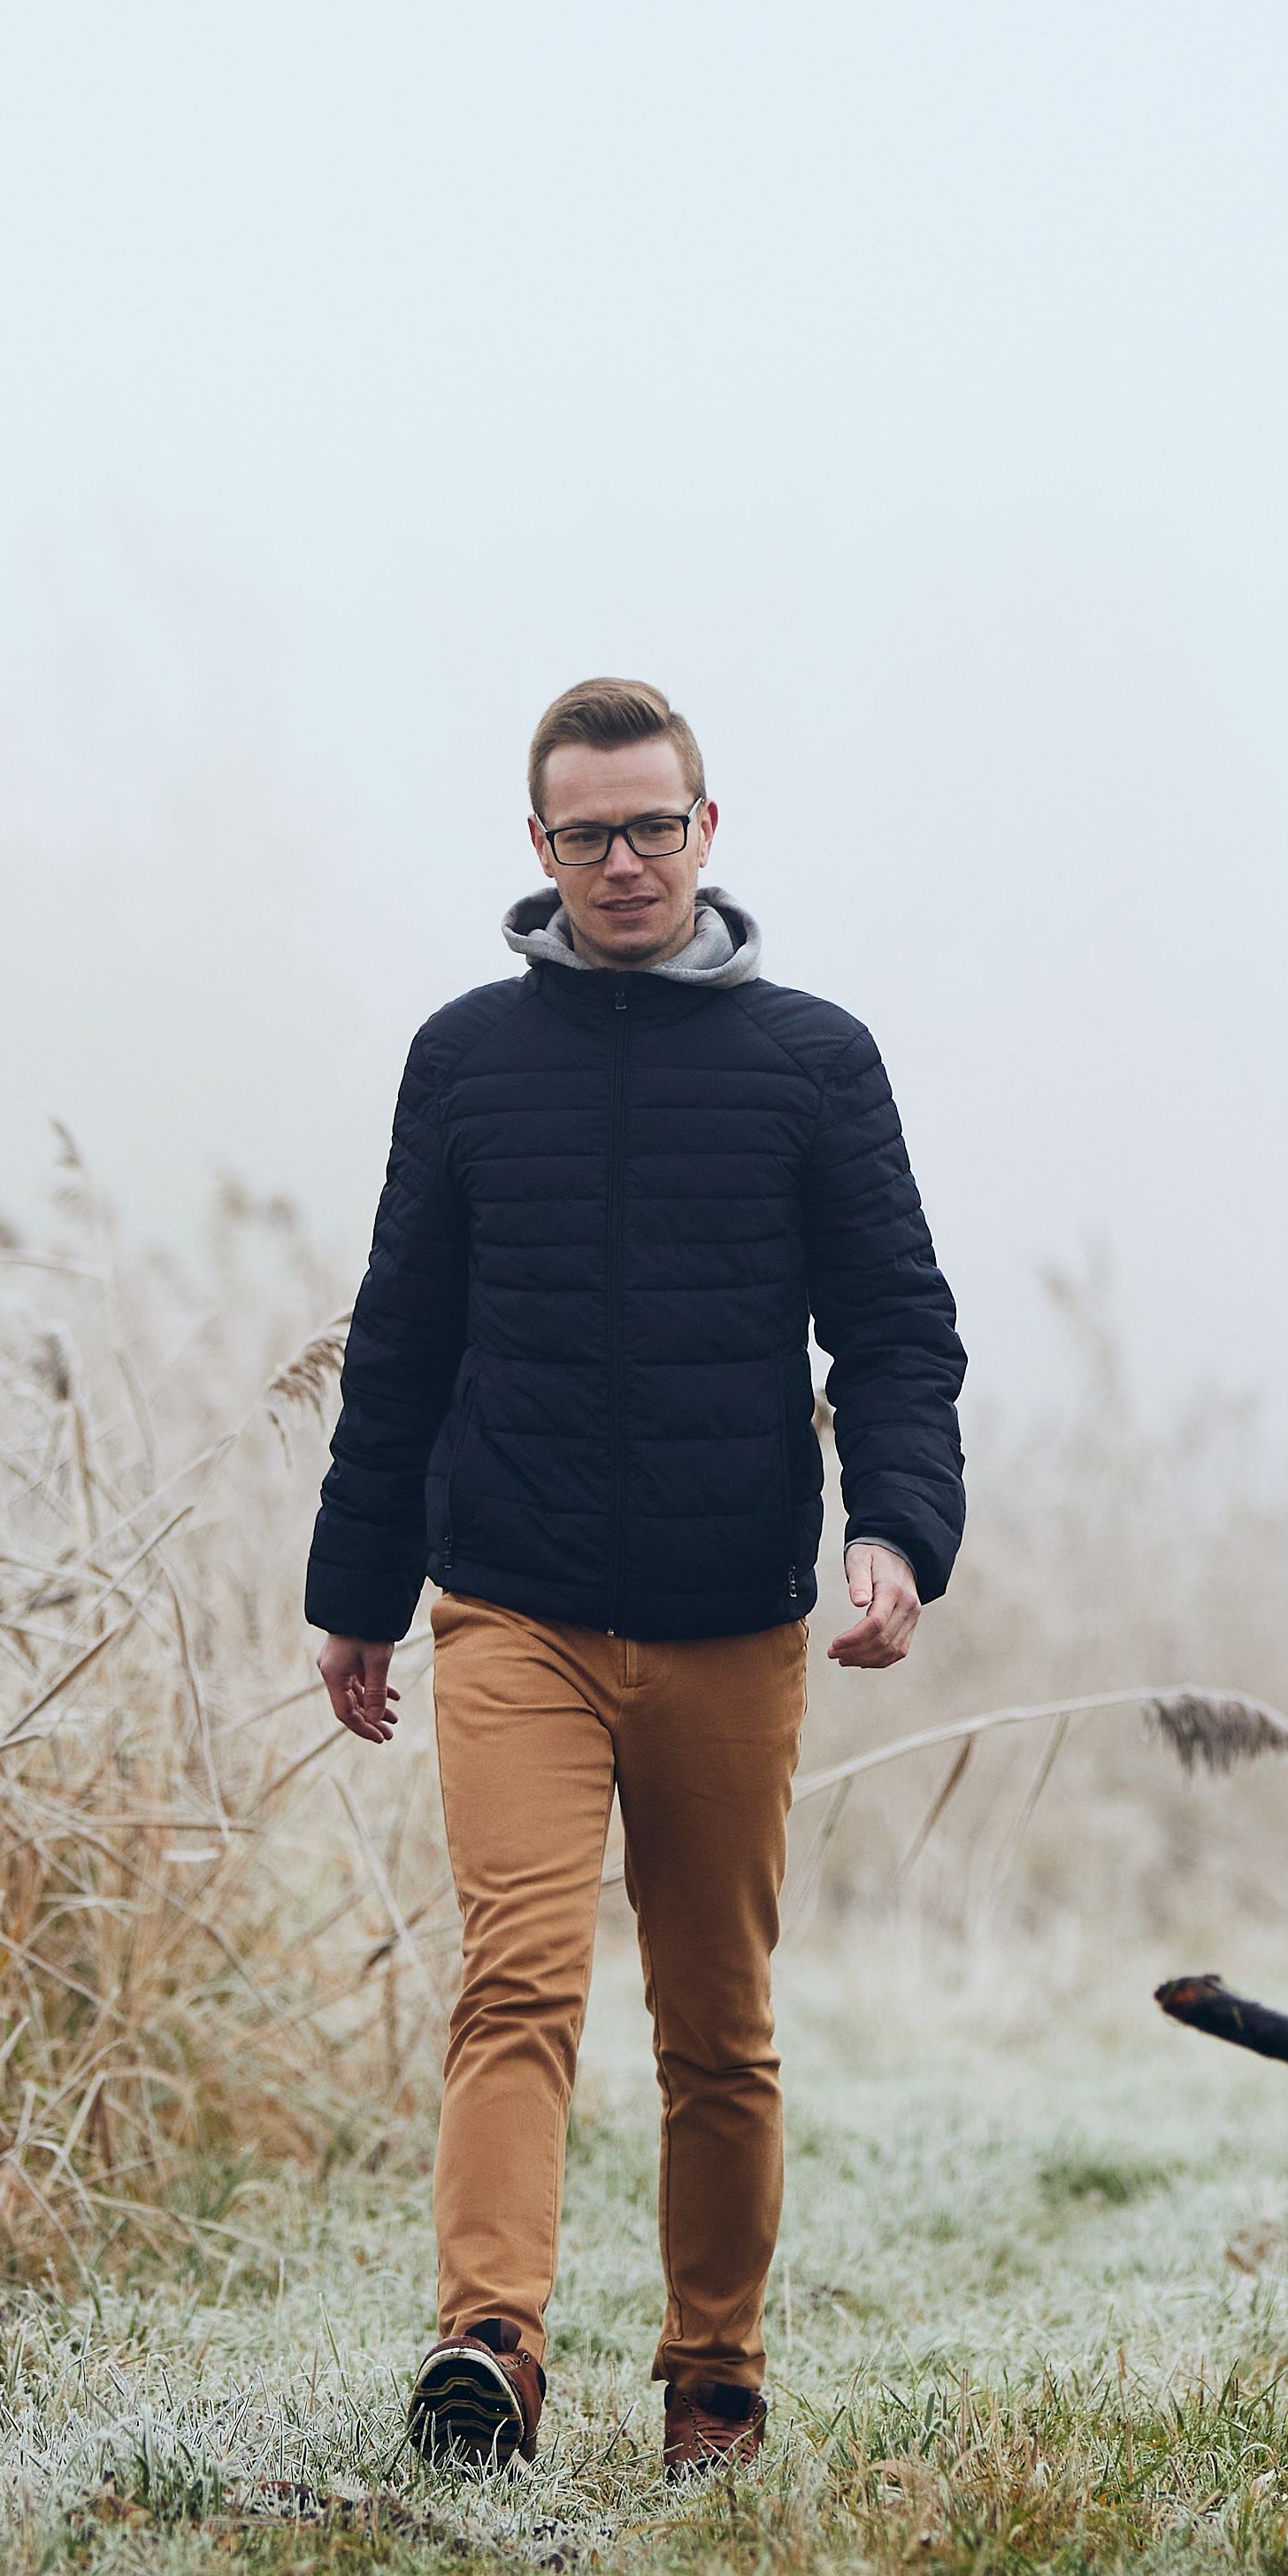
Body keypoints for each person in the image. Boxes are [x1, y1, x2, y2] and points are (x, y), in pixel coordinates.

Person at [305, 678, 968, 2479]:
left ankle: (713, 2379)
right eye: (587, 833)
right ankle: (490, 2347)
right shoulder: (467, 1060)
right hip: (510, 1607)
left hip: (731, 1623)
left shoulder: (812, 1062)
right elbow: (402, 1342)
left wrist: (895, 1530)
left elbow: (897, 1331)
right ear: (539, 846)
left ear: (705, 830)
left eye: (651, 827)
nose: (622, 861)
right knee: (515, 1985)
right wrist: (357, 1586)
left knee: (717, 2028)